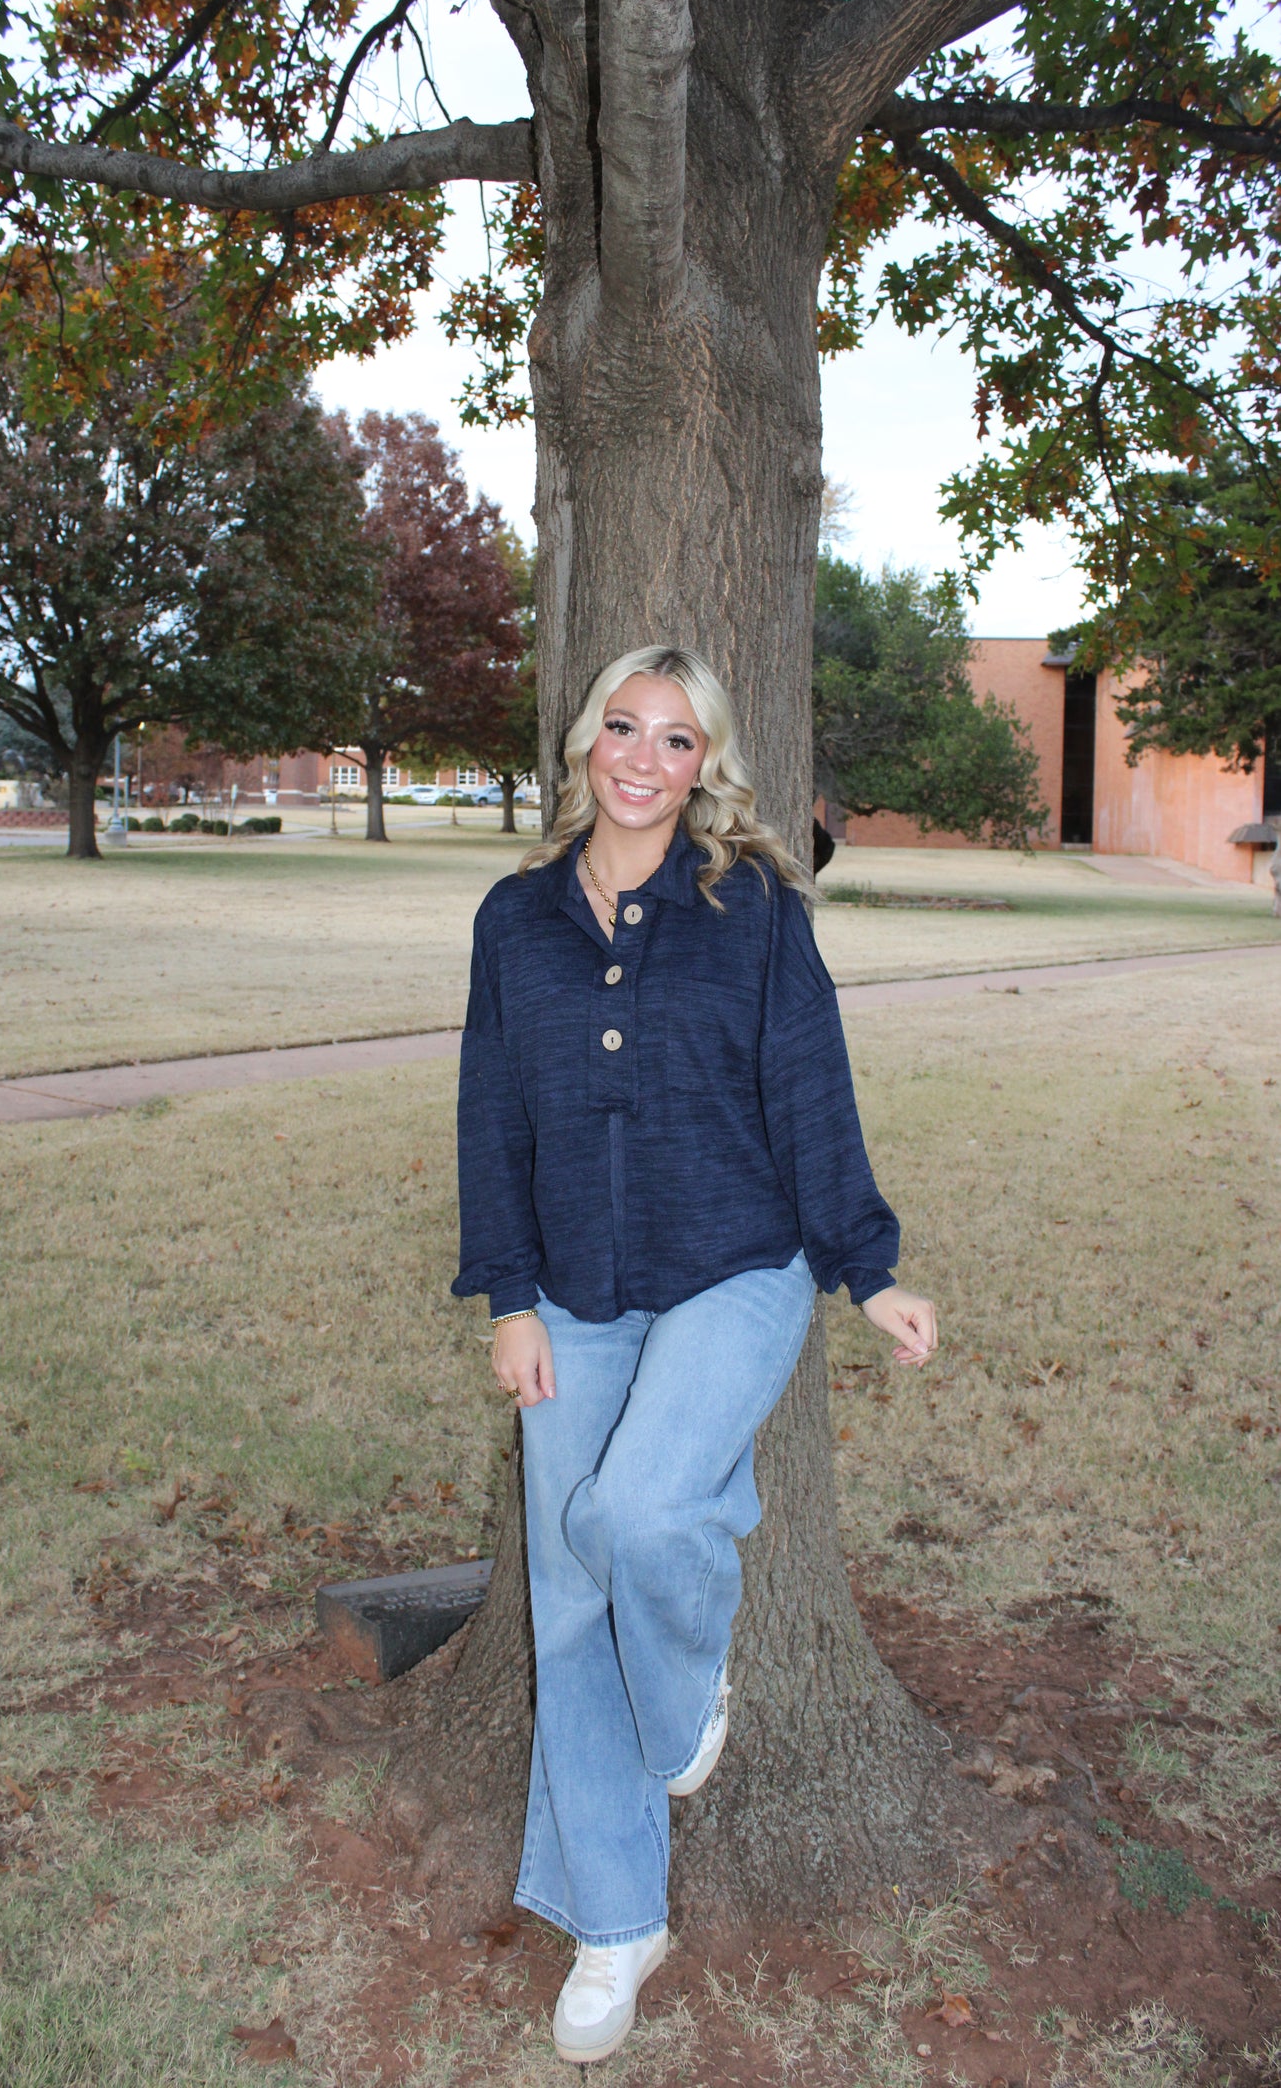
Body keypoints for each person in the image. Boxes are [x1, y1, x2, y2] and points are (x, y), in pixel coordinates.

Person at [451, 644, 937, 2066]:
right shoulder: (515, 918)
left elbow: (809, 1091)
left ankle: (680, 1711)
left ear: (702, 765)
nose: (642, 758)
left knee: (640, 1513)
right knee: (563, 1605)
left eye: (674, 739)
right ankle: (616, 1924)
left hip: (735, 1267)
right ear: (585, 745)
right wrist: (508, 1301)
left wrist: (870, 1269)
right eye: (621, 728)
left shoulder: (753, 911)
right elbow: (491, 1115)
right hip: (572, 1297)